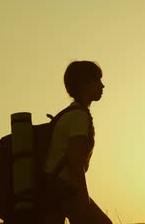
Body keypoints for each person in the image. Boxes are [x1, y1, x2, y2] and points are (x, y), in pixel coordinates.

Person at [41, 60, 112, 224]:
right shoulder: (79, 117)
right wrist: (83, 199)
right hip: (62, 188)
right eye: (97, 80)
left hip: (53, 187)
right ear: (83, 84)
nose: (102, 86)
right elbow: (75, 164)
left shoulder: (72, 113)